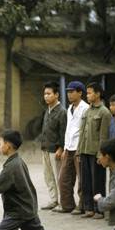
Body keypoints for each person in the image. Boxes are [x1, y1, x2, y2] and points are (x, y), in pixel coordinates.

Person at [76, 82, 113, 219]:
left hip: (96, 153)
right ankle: (89, 208)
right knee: (85, 181)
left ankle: (99, 209)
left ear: (98, 94)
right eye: (87, 93)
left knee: (97, 181)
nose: (88, 95)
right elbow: (81, 133)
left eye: (90, 92)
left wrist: (100, 154)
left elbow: (104, 136)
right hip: (85, 151)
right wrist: (79, 152)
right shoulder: (87, 111)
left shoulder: (104, 112)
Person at [57, 81, 89, 214]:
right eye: (68, 92)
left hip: (79, 148)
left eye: (72, 91)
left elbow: (85, 131)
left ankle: (82, 206)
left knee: (82, 180)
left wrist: (81, 150)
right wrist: (64, 148)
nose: (69, 94)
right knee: (63, 178)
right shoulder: (70, 109)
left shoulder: (85, 108)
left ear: (80, 93)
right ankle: (67, 205)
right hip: (69, 148)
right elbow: (68, 130)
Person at [40, 81, 67, 210]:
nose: (46, 96)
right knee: (48, 176)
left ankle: (63, 202)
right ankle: (53, 200)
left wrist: (61, 148)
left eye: (49, 94)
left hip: (56, 150)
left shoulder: (62, 112)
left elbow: (63, 132)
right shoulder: (47, 111)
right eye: (45, 94)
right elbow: (45, 130)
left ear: (56, 95)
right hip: (46, 149)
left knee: (58, 177)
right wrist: (42, 147)